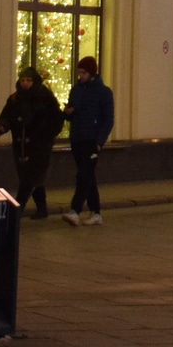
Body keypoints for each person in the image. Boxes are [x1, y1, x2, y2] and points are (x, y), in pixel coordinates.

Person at [0, 67, 63, 219]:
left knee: (30, 177)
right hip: (21, 146)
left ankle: (17, 209)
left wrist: (49, 135)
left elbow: (56, 117)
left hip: (39, 145)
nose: (25, 83)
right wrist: (3, 126)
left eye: (28, 80)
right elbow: (7, 115)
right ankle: (42, 208)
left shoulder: (44, 96)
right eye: (23, 80)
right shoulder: (15, 98)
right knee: (33, 178)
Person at [64, 56, 115, 223]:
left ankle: (75, 209)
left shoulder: (104, 92)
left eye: (84, 73)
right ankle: (96, 212)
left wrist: (99, 142)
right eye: (79, 72)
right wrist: (68, 113)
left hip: (92, 140)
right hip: (77, 138)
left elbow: (108, 120)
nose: (81, 76)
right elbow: (72, 111)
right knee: (88, 175)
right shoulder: (76, 90)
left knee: (83, 175)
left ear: (92, 73)